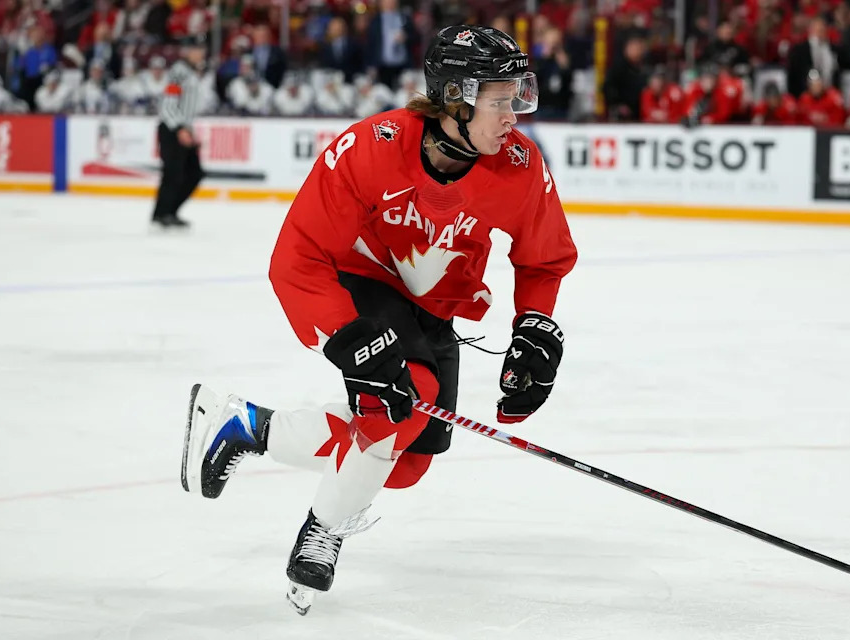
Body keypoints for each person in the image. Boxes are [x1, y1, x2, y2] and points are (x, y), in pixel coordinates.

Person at [180, 25, 577, 615]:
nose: (514, 114)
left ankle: (245, 425)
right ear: (456, 100)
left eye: (519, 95)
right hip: (360, 285)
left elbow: (542, 259)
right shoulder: (372, 148)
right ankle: (324, 530)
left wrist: (534, 328)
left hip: (433, 308)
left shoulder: (518, 166)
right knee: (401, 401)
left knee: (408, 462)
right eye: (501, 100)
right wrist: (344, 334)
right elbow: (297, 257)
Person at [151, 38, 206, 229]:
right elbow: (168, 104)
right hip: (172, 128)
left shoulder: (191, 73)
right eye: (196, 49)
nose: (200, 53)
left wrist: (188, 129)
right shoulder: (178, 72)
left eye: (201, 49)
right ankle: (161, 214)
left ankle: (170, 211)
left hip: (183, 128)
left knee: (193, 173)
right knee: (172, 173)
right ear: (187, 51)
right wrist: (180, 128)